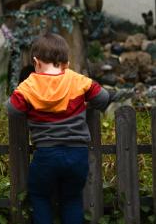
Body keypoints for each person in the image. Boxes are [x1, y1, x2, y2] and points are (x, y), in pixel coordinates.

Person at [7, 33, 110, 224]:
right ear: (66, 63)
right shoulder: (77, 80)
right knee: (72, 200)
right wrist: (84, 104)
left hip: (46, 154)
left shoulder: (29, 85)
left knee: (40, 197)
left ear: (36, 62)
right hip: (77, 155)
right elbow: (103, 98)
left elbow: (12, 110)